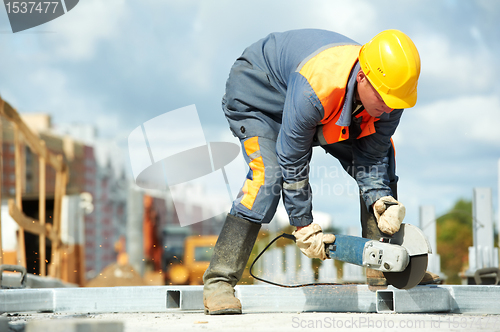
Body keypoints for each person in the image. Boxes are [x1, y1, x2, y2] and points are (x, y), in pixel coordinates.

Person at [203, 28, 436, 316]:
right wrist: (303, 225)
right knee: (269, 177)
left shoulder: (391, 95)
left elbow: (372, 156)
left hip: (313, 105)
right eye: (383, 98)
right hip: (260, 97)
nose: (388, 107)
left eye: (395, 102)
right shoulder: (317, 87)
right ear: (363, 76)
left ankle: (385, 264)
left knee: (384, 162)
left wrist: (381, 199)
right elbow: (292, 159)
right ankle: (219, 281)